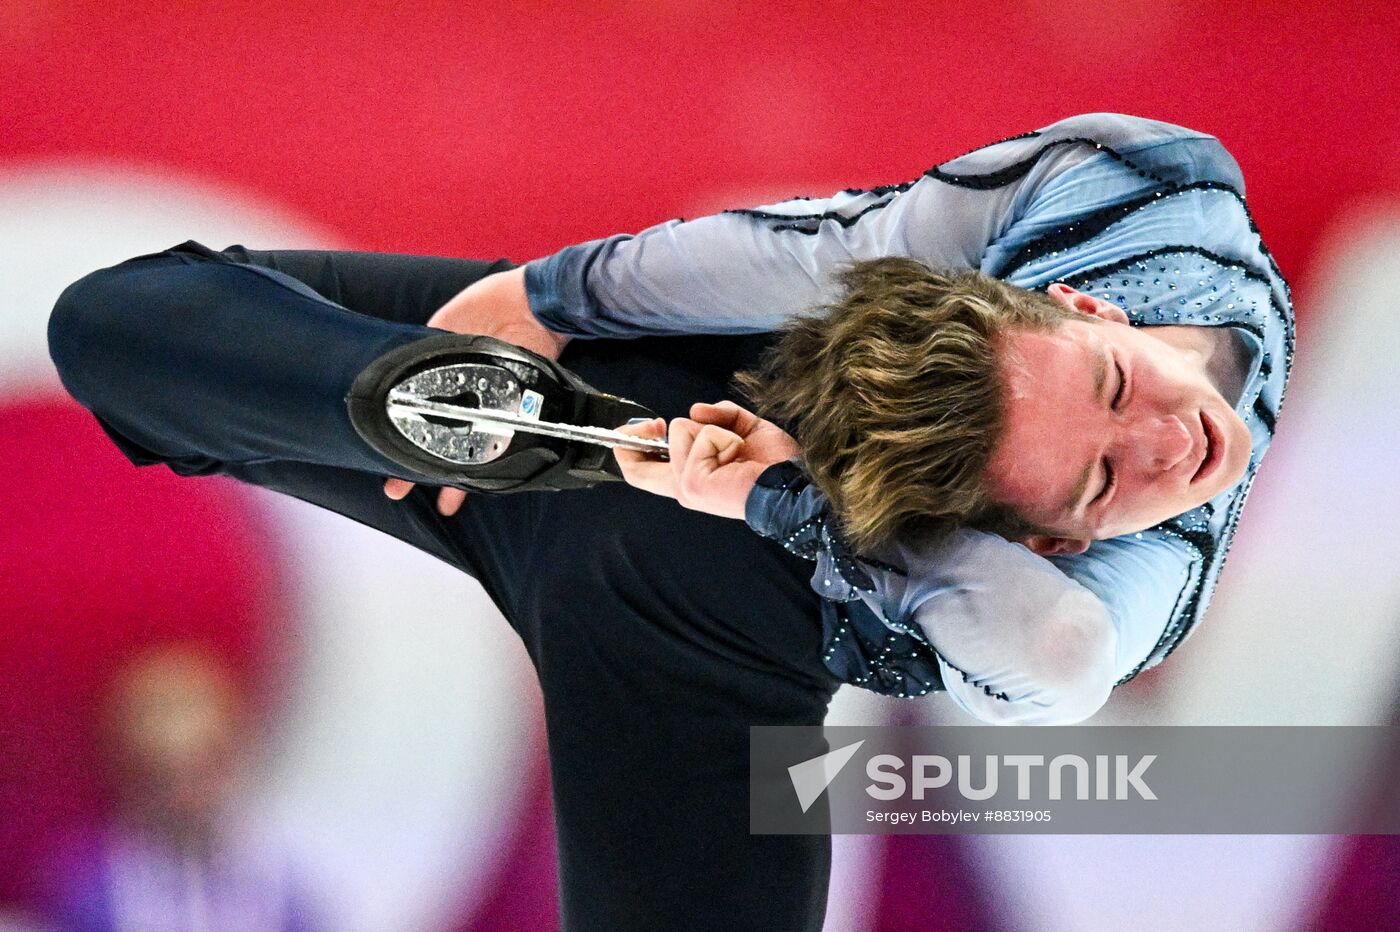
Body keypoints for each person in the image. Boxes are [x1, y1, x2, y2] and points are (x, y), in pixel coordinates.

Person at [47, 111, 1291, 930]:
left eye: (1097, 483)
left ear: (1058, 540)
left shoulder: (1131, 556)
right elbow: (830, 252)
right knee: (112, 322)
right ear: (1079, 307)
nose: (1166, 441)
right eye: (1109, 390)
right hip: (658, 501)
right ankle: (438, 405)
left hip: (684, 527)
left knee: (126, 325)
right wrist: (545, 297)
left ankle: (427, 404)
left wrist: (749, 479)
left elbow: (1056, 654)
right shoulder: (1143, 189)